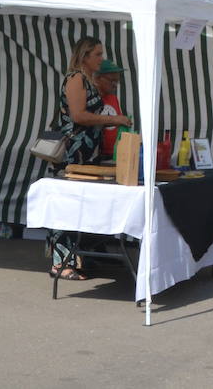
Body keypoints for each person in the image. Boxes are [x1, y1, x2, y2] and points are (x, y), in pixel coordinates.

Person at [50, 36, 132, 279]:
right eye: (97, 54)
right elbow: (79, 116)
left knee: (82, 206)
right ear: (84, 56)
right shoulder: (76, 79)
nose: (101, 58)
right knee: (67, 204)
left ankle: (80, 256)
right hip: (73, 153)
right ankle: (60, 263)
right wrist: (113, 119)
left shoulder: (88, 79)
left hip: (87, 153)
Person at [95, 58, 127, 157]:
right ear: (98, 78)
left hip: (114, 154)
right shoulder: (91, 100)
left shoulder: (113, 98)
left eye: (117, 81)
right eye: (112, 80)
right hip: (96, 154)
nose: (115, 85)